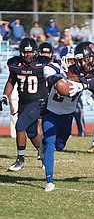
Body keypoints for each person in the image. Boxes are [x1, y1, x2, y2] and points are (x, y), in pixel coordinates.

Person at [0, 37, 52, 171]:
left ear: (36, 52)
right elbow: (11, 81)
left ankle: (20, 159)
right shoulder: (15, 64)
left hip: (39, 101)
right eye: (25, 52)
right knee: (32, 132)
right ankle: (44, 154)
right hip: (24, 102)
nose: (28, 55)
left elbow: (52, 78)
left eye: (30, 52)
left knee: (20, 126)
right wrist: (5, 96)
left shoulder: (43, 63)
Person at [42, 46, 80, 191]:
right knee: (51, 144)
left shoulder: (81, 74)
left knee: (60, 145)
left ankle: (43, 143)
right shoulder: (53, 68)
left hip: (67, 115)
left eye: (74, 60)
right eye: (69, 60)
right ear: (63, 60)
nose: (72, 63)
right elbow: (51, 76)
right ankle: (49, 180)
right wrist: (61, 81)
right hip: (51, 112)